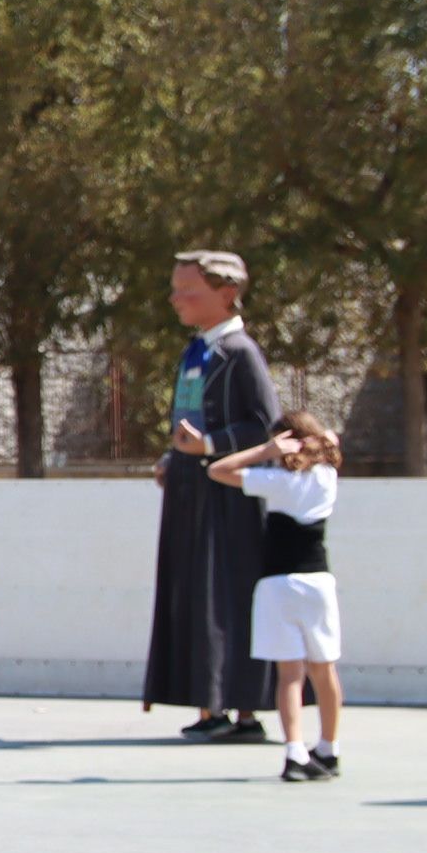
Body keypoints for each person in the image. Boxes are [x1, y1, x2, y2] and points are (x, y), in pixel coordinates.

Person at [146, 250, 281, 742]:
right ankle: (209, 706)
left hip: (227, 499)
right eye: (176, 289)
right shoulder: (196, 351)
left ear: (226, 295)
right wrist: (173, 455)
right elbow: (190, 416)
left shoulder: (240, 352)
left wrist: (208, 447)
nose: (176, 299)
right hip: (189, 491)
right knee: (195, 597)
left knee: (225, 596)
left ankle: (241, 711)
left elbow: (267, 426)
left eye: (189, 290)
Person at [212, 411, 344, 783]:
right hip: (318, 581)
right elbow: (331, 445)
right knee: (324, 667)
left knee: (290, 674)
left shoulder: (275, 480)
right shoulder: (327, 477)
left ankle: (295, 751)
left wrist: (263, 450)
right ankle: (329, 749)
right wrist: (321, 440)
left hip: (278, 584)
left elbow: (218, 470)